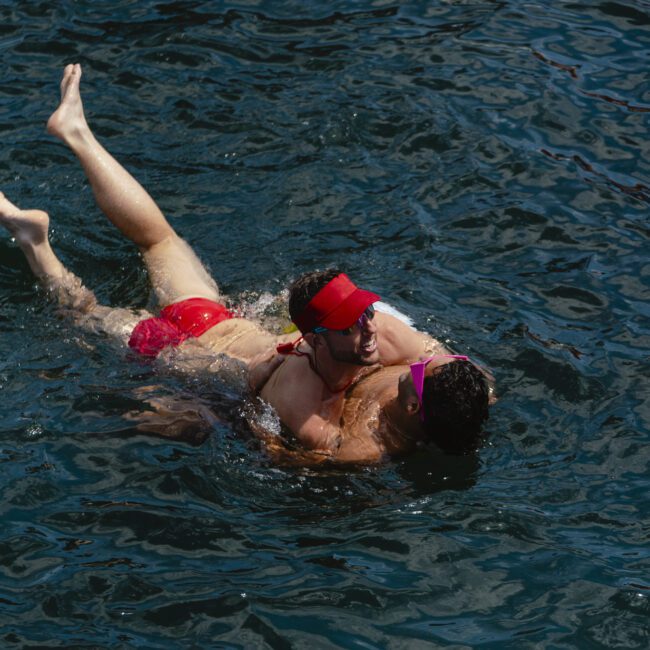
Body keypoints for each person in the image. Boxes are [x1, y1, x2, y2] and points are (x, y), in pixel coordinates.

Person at [0, 64, 491, 464]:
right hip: (174, 350)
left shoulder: (378, 340)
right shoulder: (308, 401)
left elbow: (465, 375)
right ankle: (32, 241)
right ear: (316, 337)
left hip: (215, 318)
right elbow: (311, 454)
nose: (368, 330)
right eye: (352, 326)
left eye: (364, 315)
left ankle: (77, 133)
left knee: (160, 240)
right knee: (82, 313)